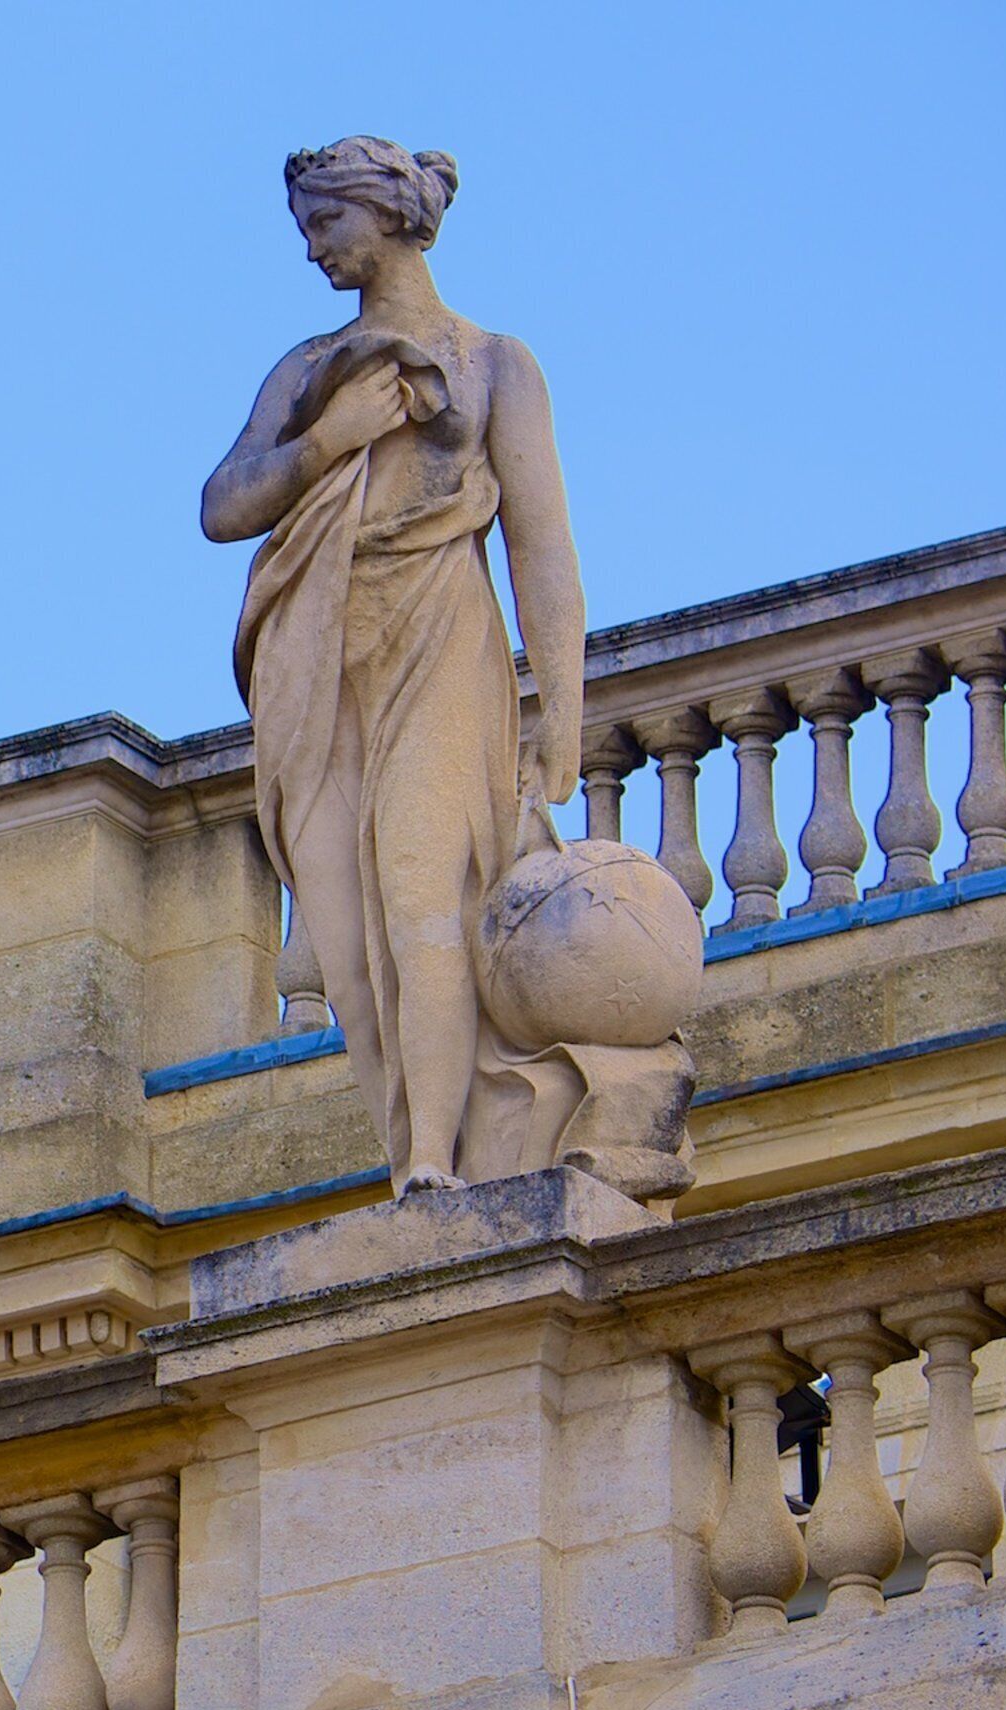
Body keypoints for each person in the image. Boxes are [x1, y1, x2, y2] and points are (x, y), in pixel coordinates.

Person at [202, 137, 587, 1194]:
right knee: (346, 935)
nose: (314, 250)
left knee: (425, 896)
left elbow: (542, 548)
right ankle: (404, 1142)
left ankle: (433, 1163)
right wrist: (331, 442)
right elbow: (222, 507)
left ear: (383, 215)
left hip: (439, 636)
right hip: (317, 652)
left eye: (325, 225)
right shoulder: (306, 369)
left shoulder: (495, 362)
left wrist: (563, 711)